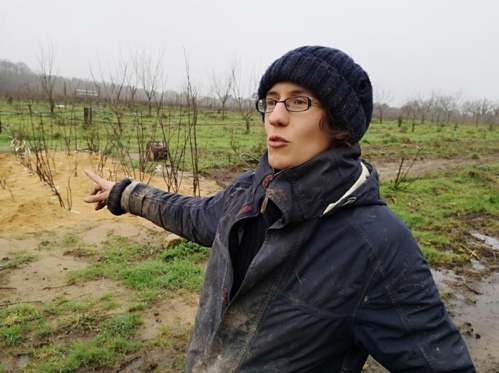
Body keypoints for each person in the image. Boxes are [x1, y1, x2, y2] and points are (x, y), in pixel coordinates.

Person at [84, 46, 475, 372]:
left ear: (339, 122)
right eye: (270, 101)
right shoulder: (247, 192)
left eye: (298, 101)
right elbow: (195, 216)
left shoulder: (377, 245)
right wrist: (125, 193)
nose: (275, 116)